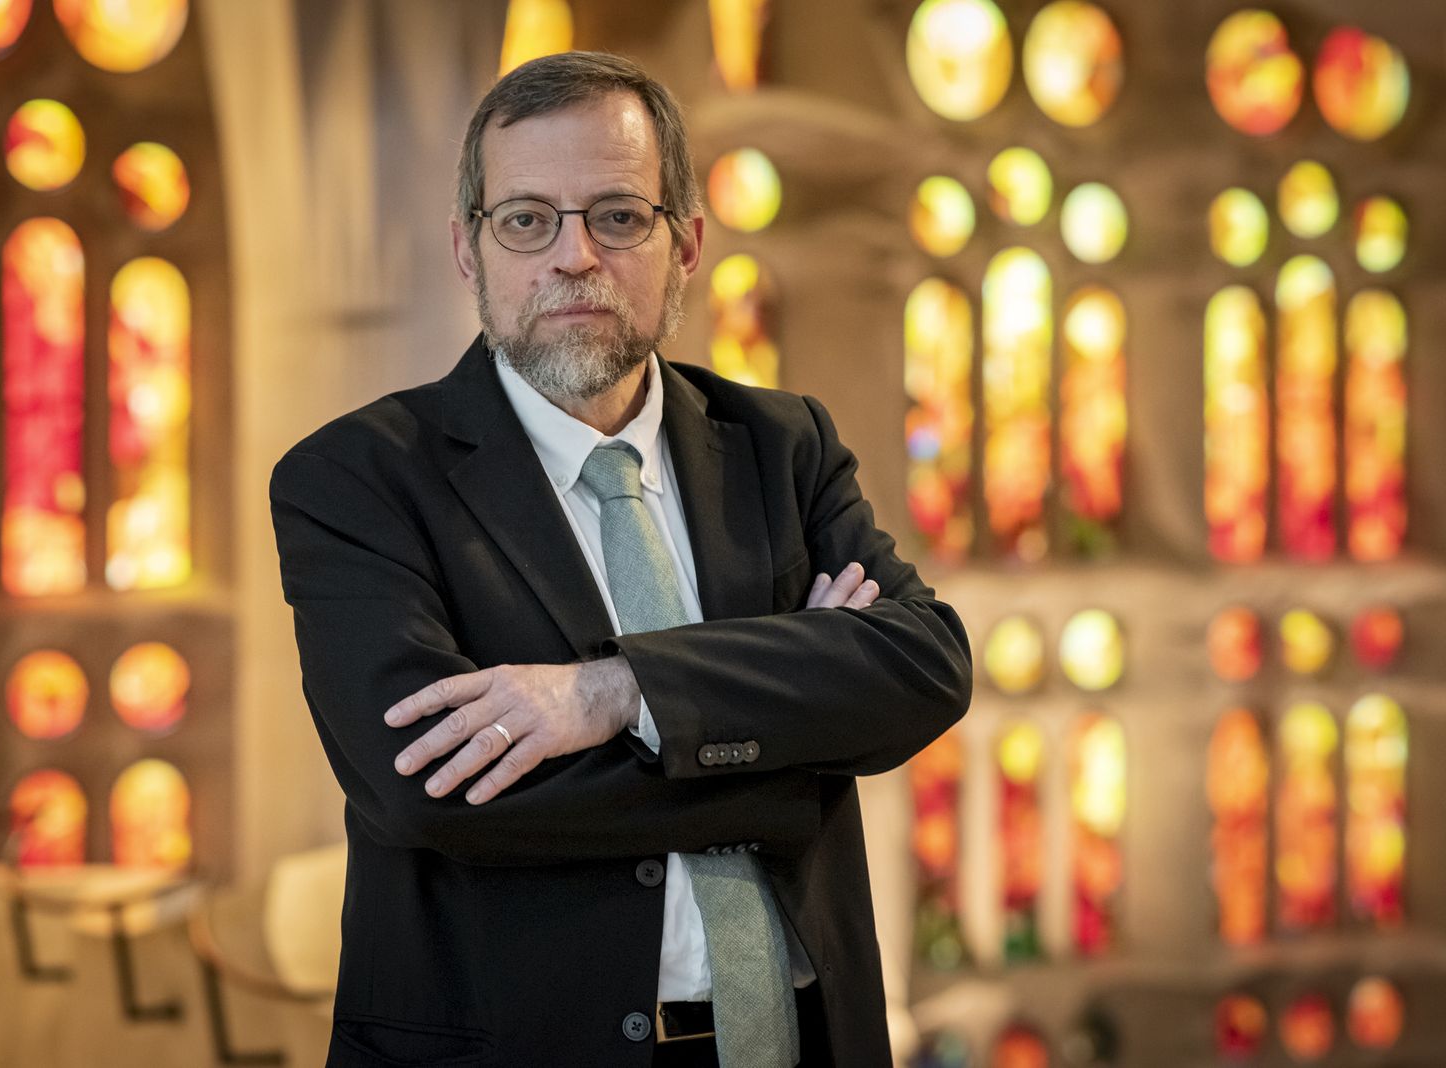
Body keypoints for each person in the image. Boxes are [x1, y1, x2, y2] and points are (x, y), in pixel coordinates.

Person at [268, 50, 971, 1067]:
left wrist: (611, 694)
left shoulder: (782, 445)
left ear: (684, 243)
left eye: (617, 215)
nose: (573, 257)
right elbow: (423, 790)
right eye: (526, 220)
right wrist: (798, 754)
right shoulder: (359, 480)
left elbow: (923, 665)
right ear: (470, 252)